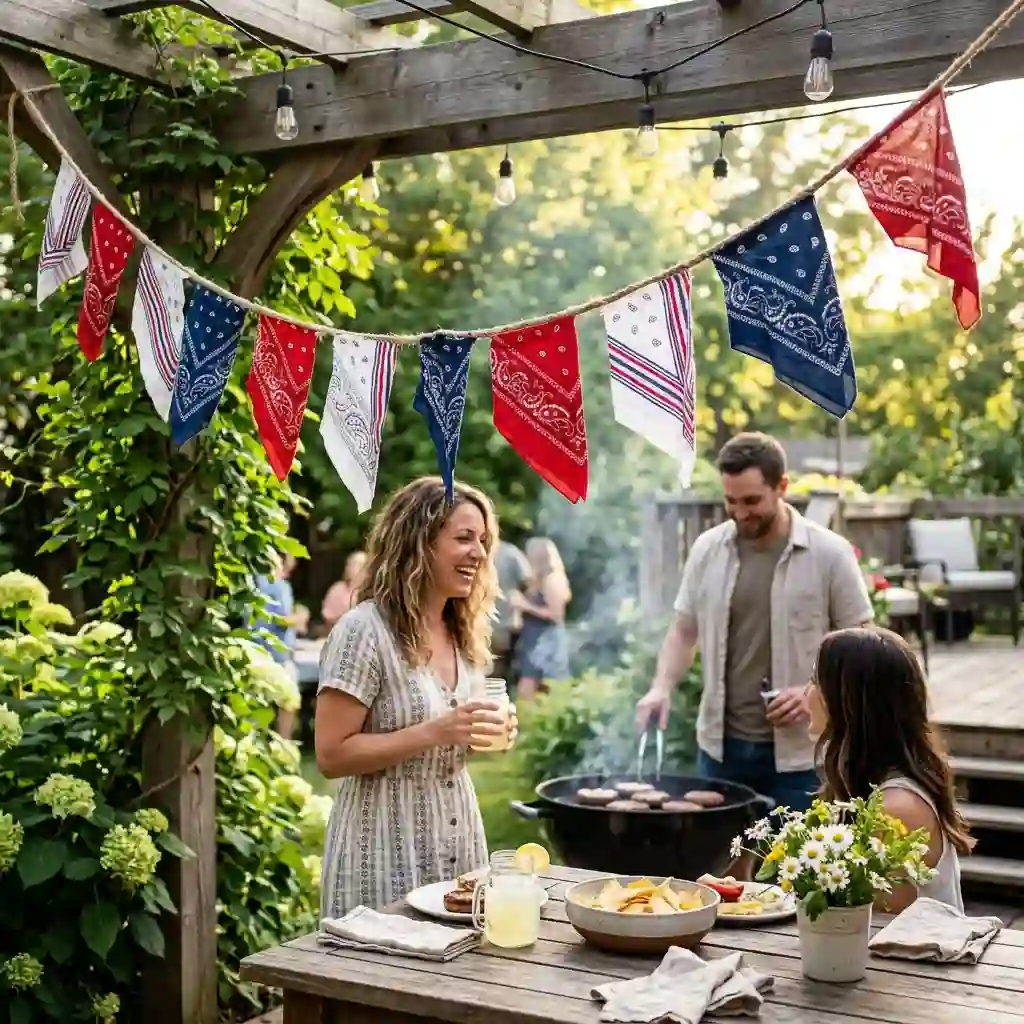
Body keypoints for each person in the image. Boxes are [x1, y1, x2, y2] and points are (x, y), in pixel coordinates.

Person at [635, 432, 872, 811]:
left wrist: (814, 690)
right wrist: (660, 687)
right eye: (730, 501)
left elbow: (863, 641)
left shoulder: (829, 554)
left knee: (794, 867)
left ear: (782, 486)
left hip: (801, 756)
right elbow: (684, 630)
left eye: (751, 501)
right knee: (720, 867)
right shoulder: (707, 549)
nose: (740, 512)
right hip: (719, 751)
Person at [315, 477, 518, 917]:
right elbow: (331, 755)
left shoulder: (463, 632)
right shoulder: (363, 630)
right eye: (464, 538)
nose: (480, 553)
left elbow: (458, 731)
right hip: (383, 852)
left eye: (483, 541)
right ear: (419, 542)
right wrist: (435, 731)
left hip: (460, 844)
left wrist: (492, 729)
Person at [808, 626, 972, 912]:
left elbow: (882, 922)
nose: (807, 692)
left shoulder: (897, 808)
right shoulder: (863, 782)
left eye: (815, 681)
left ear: (849, 703)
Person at [512, 537, 572, 700]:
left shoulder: (553, 579)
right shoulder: (537, 580)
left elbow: (556, 614)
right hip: (533, 639)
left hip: (547, 639)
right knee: (532, 689)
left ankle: (532, 723)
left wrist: (525, 606)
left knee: (539, 689)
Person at [254, 551, 305, 740]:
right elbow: (281, 619)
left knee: (258, 703)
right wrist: (300, 617)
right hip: (277, 656)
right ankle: (284, 743)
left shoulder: (255, 582)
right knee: (289, 701)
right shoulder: (279, 585)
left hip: (255, 651)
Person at [492, 540, 531, 685]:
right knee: (500, 672)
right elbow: (528, 580)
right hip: (505, 621)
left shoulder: (473, 550)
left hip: (478, 622)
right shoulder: (510, 552)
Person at [321, 550, 368, 631]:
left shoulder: (371, 590)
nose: (349, 567)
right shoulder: (337, 589)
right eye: (349, 564)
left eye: (354, 564)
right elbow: (327, 618)